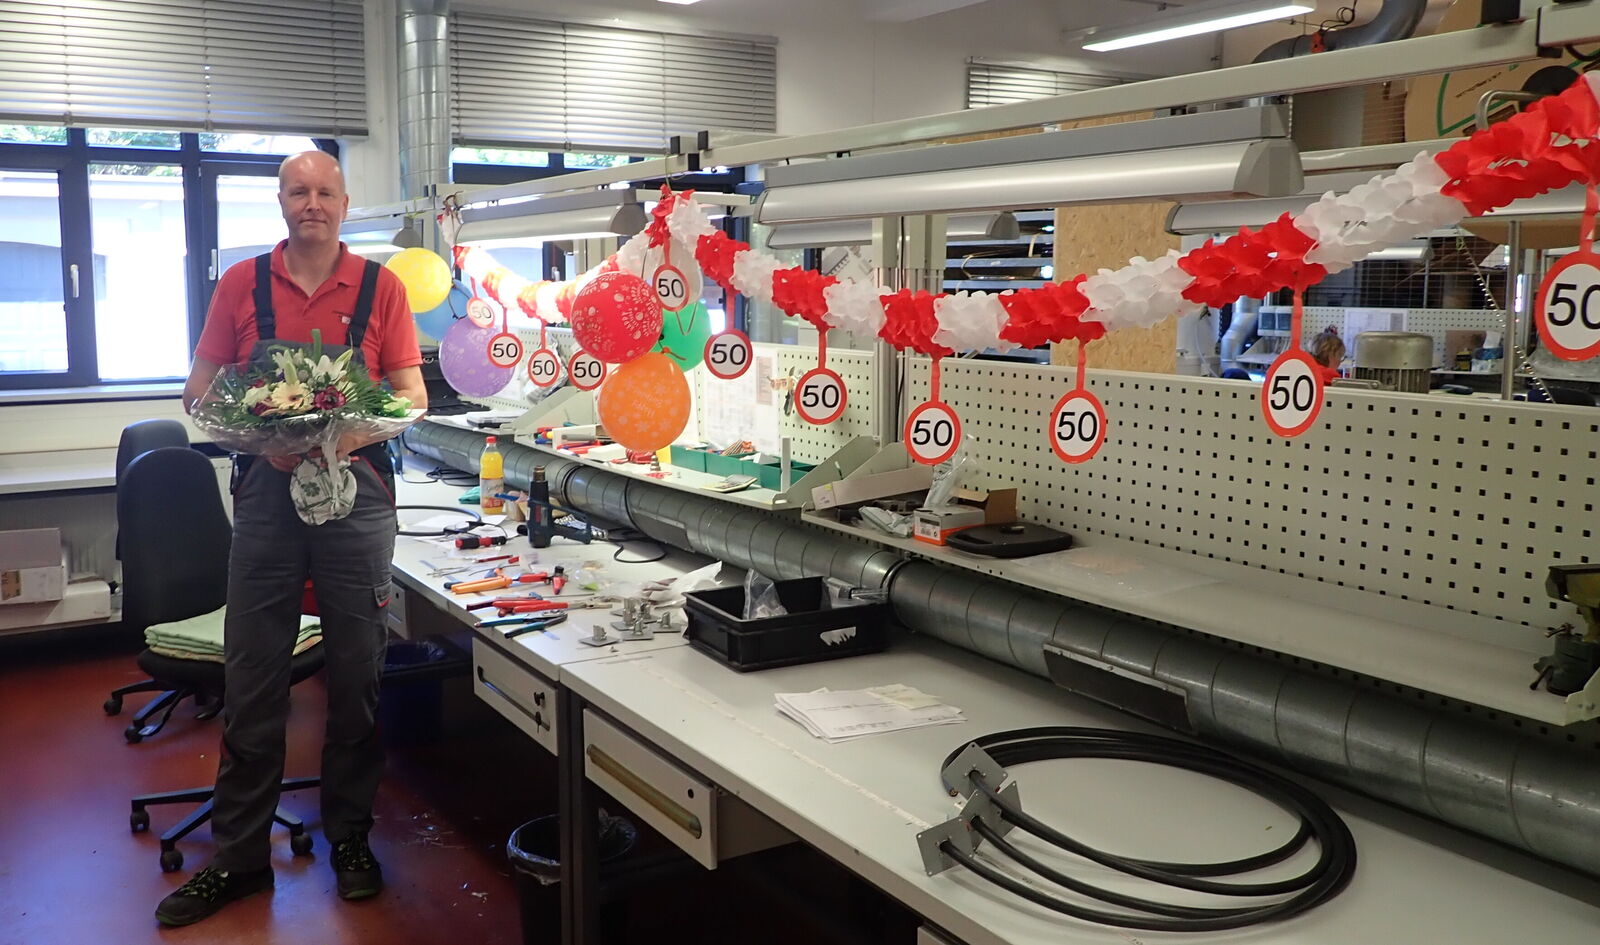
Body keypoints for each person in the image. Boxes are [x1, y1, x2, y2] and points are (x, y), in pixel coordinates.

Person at [159, 150, 426, 927]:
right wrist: (256, 439)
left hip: (359, 497)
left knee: (357, 674)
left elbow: (411, 392)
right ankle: (239, 857)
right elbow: (198, 392)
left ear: (344, 202)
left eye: (325, 192)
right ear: (281, 201)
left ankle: (350, 836)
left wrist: (351, 431)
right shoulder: (242, 283)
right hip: (266, 502)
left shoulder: (382, 287)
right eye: (298, 191)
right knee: (252, 679)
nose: (312, 203)